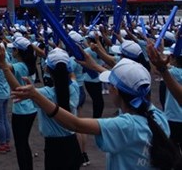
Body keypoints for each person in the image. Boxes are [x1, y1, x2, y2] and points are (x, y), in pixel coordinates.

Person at [14, 56, 182, 170]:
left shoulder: (125, 125)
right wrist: (94, 66)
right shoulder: (157, 116)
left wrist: (36, 95)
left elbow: (75, 123)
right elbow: (128, 86)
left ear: (114, 90)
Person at [0, 45, 82, 170]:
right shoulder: (74, 88)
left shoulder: (46, 94)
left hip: (54, 148)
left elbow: (18, 90)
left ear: (47, 69)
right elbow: (71, 76)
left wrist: (4, 67)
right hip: (73, 145)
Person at [0, 37, 40, 170]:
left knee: (21, 145)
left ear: (18, 51)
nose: (11, 51)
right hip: (31, 107)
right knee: (24, 143)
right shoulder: (29, 65)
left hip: (21, 109)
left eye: (13, 49)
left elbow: (2, 66)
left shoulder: (19, 66)